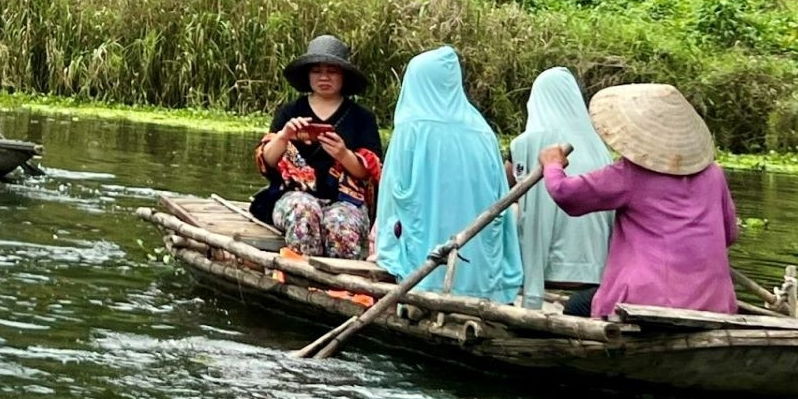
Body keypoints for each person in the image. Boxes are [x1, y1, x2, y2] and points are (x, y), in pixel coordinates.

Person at [539, 83, 739, 319]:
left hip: (644, 301)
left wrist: (552, 164)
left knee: (576, 306)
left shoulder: (630, 174)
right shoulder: (714, 173)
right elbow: (730, 234)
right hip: (713, 302)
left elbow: (566, 194)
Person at [376, 45, 523, 302]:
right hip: (479, 272)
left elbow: (394, 193)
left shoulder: (412, 127)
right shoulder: (482, 131)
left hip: (423, 269)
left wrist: (385, 247)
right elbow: (499, 196)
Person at [251, 35, 383, 260]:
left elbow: (369, 173)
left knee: (340, 223)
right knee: (304, 211)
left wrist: (343, 153)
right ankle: (300, 276)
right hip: (295, 195)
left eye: (332, 71)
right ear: (308, 75)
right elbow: (268, 163)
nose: (324, 77)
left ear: (344, 76)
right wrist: (284, 137)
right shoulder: (289, 112)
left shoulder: (362, 118)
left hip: (345, 200)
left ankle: (342, 285)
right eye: (317, 71)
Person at [510, 67, 613, 311]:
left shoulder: (527, 144)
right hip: (595, 276)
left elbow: (502, 189)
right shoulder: (601, 151)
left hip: (549, 274)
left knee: (511, 210)